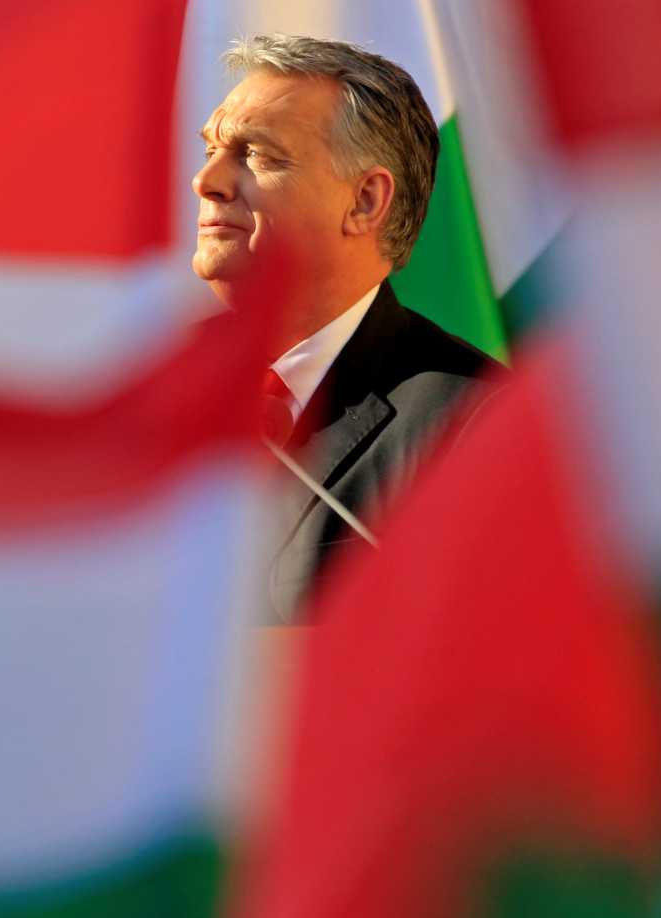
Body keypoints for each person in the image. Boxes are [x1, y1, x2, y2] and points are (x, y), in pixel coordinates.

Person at [192, 34, 502, 621]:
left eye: (256, 154)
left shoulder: (471, 427)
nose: (206, 180)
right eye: (209, 148)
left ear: (364, 201)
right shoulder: (165, 400)